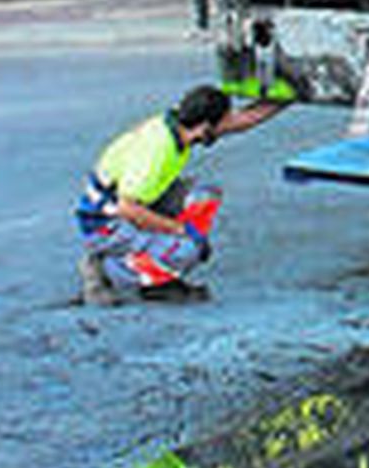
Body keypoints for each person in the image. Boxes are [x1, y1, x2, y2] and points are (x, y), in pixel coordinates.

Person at [76, 84, 288, 305]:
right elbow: (127, 208)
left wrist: (289, 96)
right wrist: (181, 230)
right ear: (205, 127)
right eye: (223, 122)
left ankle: (160, 271)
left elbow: (241, 120)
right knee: (186, 250)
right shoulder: (157, 151)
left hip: (133, 201)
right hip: (106, 222)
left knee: (204, 197)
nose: (228, 126)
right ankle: (108, 270)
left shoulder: (180, 123)